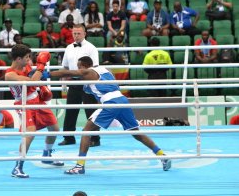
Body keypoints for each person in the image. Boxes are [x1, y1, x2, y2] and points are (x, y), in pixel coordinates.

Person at [42, 56, 172, 174]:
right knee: (136, 133)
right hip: (122, 100)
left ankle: (79, 166)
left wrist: (48, 74)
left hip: (111, 102)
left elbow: (69, 72)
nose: (78, 69)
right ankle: (163, 156)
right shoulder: (104, 71)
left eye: (79, 66)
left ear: (84, 66)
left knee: (86, 132)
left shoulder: (89, 71)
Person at [5, 44, 64, 178]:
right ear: (18, 59)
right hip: (24, 103)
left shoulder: (26, 66)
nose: (29, 59)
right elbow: (32, 81)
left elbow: (36, 79)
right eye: (26, 57)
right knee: (30, 134)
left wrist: (43, 87)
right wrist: (41, 65)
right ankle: (17, 167)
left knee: (54, 128)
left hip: (37, 100)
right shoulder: (10, 74)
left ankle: (47, 154)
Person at [58, 24, 100, 147]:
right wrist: (63, 81)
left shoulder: (91, 48)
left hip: (87, 82)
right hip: (73, 82)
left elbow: (95, 67)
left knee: (91, 111)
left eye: (79, 33)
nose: (76, 36)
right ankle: (68, 137)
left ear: (84, 33)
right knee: (71, 110)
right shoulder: (68, 48)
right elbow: (65, 66)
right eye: (74, 33)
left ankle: (95, 138)